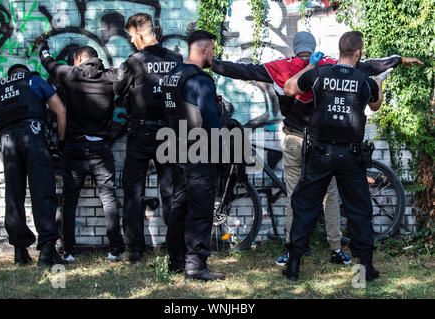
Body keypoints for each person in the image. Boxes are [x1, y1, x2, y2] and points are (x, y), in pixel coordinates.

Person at [211, 31, 423, 266]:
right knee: (330, 197)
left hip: (294, 138)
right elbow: (369, 65)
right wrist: (399, 60)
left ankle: (293, 252)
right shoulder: (329, 65)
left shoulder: (281, 67)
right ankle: (336, 249)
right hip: (321, 143)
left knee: (295, 197)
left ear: (295, 47)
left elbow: (244, 71)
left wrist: (213, 64)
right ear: (313, 46)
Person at [283, 31, 391, 281]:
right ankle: (365, 269)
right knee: (359, 210)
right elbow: (375, 105)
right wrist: (381, 80)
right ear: (359, 53)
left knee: (305, 206)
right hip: (350, 156)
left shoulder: (320, 74)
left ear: (340, 50)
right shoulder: (365, 80)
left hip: (319, 153)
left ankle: (293, 266)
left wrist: (310, 64)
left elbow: (289, 88)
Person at [37, 40, 125, 262]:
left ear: (78, 59)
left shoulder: (71, 74)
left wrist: (44, 45)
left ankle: (68, 251)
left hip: (75, 147)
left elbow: (48, 63)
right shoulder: (109, 77)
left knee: (70, 201)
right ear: (96, 59)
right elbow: (129, 77)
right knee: (108, 199)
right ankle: (116, 249)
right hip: (101, 148)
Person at [114, 13, 183, 264]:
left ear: (141, 33)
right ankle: (177, 250)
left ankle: (133, 252)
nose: (132, 41)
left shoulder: (135, 61)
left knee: (133, 191)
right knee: (171, 191)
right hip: (169, 133)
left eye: (132, 35)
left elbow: (117, 89)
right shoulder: (175, 59)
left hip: (141, 132)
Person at [162, 30, 225, 281]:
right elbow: (210, 120)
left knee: (179, 206)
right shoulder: (200, 80)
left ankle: (176, 260)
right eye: (212, 50)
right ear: (204, 49)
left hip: (174, 147)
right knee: (200, 208)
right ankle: (196, 266)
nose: (213, 54)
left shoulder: (171, 76)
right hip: (197, 151)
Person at [0, 63, 67, 266]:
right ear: (24, 72)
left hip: (7, 142)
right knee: (42, 191)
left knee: (14, 195)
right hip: (32, 136)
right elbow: (60, 111)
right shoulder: (33, 79)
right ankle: (46, 251)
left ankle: (20, 252)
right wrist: (61, 140)